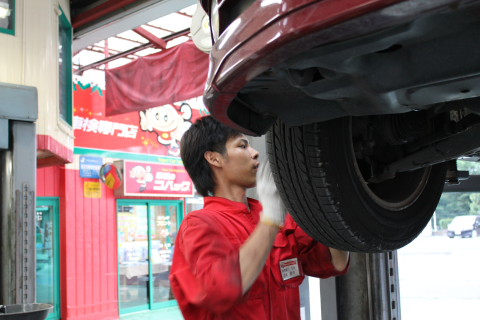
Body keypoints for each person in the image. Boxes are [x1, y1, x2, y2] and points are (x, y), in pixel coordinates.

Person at [169, 116, 350, 320]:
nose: (255, 153)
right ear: (214, 159)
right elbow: (221, 289)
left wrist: (334, 195)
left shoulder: (275, 219)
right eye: (242, 145)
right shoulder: (198, 225)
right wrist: (270, 219)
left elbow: (336, 261)